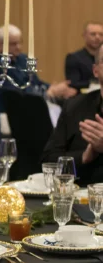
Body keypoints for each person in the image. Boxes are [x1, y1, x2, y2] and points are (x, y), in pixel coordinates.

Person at [42, 44, 103, 185]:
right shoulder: (74, 106)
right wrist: (84, 156)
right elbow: (48, 161)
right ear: (95, 70)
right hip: (78, 194)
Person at [0, 25, 76, 113]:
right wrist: (49, 93)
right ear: (1, 45)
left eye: (20, 42)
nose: (18, 47)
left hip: (34, 104)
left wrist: (54, 88)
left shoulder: (23, 59)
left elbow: (35, 82)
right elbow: (17, 95)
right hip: (13, 112)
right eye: (13, 44)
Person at [65, 22, 103, 91]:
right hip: (84, 95)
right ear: (84, 36)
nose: (97, 37)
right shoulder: (74, 58)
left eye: (101, 34)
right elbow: (73, 83)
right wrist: (95, 84)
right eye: (93, 34)